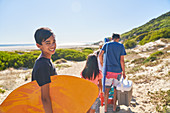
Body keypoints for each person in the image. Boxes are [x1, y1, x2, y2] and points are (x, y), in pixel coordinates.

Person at [32, 27, 57, 113]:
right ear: (39, 45)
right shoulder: (43, 64)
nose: (52, 45)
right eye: (48, 43)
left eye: (53, 42)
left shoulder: (47, 61)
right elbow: (45, 98)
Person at [99, 33, 126, 112]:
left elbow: (100, 55)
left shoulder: (107, 45)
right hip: (117, 72)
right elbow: (122, 60)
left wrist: (102, 64)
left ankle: (106, 108)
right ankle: (114, 107)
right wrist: (124, 72)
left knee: (107, 90)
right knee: (115, 90)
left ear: (112, 38)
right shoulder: (121, 46)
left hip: (108, 71)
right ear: (118, 38)